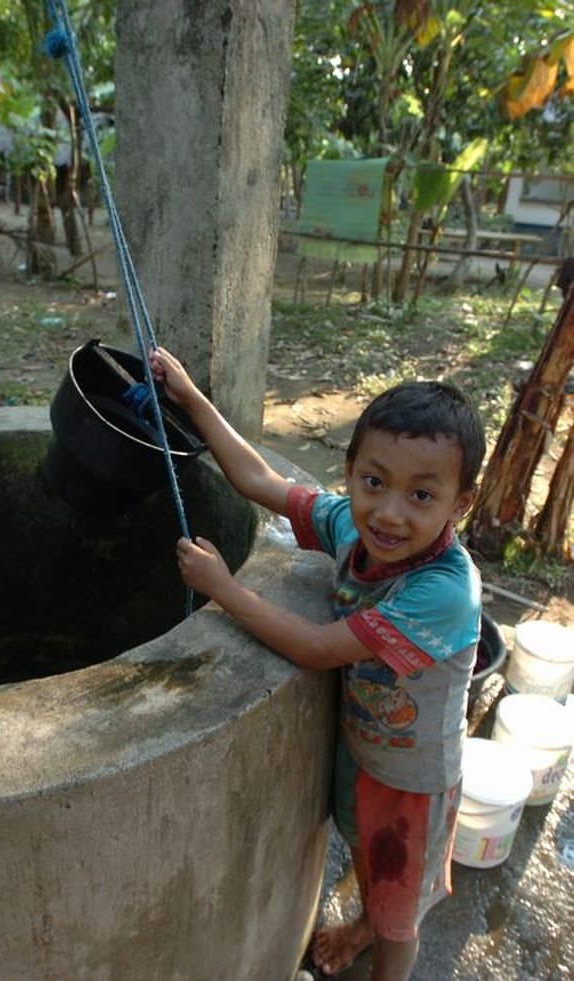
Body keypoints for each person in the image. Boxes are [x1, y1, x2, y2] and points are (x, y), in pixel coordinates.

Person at [149, 347, 486, 981]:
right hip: (363, 751)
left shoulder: (444, 590)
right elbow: (258, 481)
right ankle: (364, 925)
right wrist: (191, 399)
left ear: (460, 504)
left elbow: (318, 647)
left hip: (412, 783)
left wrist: (224, 589)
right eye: (374, 482)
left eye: (421, 494)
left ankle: (383, 953)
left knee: (399, 915)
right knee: (365, 859)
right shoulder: (354, 530)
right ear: (351, 470)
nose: (389, 513)